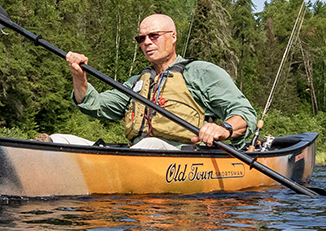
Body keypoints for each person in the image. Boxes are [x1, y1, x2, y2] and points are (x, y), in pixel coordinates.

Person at [54, 13, 256, 150]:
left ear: (173, 36)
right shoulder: (137, 82)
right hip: (138, 156)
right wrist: (78, 76)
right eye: (141, 39)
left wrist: (223, 129)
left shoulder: (201, 72)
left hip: (184, 156)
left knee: (151, 144)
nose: (147, 42)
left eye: (154, 36)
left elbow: (245, 114)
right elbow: (94, 105)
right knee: (58, 140)